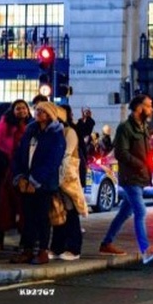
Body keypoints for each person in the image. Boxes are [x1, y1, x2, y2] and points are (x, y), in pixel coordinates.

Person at [98, 94, 153, 265]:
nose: (152, 109)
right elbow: (121, 153)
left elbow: (143, 151)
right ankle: (145, 251)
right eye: (149, 105)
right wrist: (140, 164)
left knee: (125, 212)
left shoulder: (143, 127)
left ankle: (106, 243)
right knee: (141, 212)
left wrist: (149, 164)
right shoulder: (125, 127)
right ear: (139, 107)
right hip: (131, 177)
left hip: (140, 176)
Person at [10, 102, 66, 265]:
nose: (38, 113)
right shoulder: (30, 131)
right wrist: (20, 177)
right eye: (37, 110)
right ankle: (27, 250)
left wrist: (35, 180)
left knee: (42, 218)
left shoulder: (56, 134)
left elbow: (52, 161)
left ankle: (42, 251)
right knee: (28, 218)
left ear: (50, 114)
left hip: (44, 184)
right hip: (26, 181)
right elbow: (19, 154)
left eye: (42, 111)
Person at [50, 105, 88, 261]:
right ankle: (57, 247)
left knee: (70, 211)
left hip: (67, 177)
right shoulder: (50, 132)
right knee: (58, 212)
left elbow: (67, 155)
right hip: (55, 175)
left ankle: (73, 248)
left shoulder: (69, 132)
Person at [0, 99, 30, 250]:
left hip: (25, 170)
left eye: (24, 108)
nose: (21, 111)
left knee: (24, 208)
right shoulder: (6, 124)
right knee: (5, 206)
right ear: (13, 110)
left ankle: (25, 242)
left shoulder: (31, 125)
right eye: (18, 108)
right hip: (7, 170)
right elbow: (5, 145)